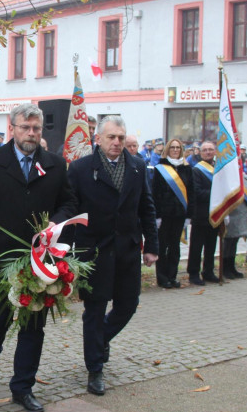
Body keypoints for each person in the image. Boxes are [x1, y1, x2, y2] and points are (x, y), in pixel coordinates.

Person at [0, 103, 76, 412]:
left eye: (36, 128)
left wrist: (57, 220)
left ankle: (22, 387)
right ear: (12, 129)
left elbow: (68, 202)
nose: (31, 133)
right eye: (25, 127)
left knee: (33, 325)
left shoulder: (54, 163)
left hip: (40, 260)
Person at [66, 117, 157, 396]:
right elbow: (71, 209)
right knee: (94, 310)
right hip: (94, 251)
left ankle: (100, 339)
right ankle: (95, 369)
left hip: (127, 249)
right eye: (111, 138)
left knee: (128, 304)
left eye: (121, 137)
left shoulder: (138, 167)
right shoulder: (81, 169)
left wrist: (151, 245)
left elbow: (147, 207)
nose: (117, 142)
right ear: (98, 139)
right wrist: (66, 252)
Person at [152, 138, 191, 288]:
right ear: (167, 149)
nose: (175, 150)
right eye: (172, 147)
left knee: (175, 247)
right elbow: (155, 193)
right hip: (164, 214)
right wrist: (157, 216)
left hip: (180, 214)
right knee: (162, 246)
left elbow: (191, 193)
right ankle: (162, 278)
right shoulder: (160, 168)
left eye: (178, 148)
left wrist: (189, 215)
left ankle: (172, 276)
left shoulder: (187, 168)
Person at [186, 140, 220, 285]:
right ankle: (193, 273)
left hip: (215, 213)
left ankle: (208, 271)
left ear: (215, 151)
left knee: (211, 245)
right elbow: (197, 192)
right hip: (200, 214)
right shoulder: (197, 170)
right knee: (196, 246)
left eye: (210, 149)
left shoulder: (218, 169)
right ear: (200, 152)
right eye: (205, 150)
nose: (208, 152)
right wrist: (216, 193)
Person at [221, 172, 247, 279]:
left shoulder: (243, 175)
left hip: (241, 213)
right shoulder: (228, 173)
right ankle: (225, 268)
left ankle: (231, 266)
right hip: (231, 212)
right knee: (228, 240)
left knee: (235, 240)